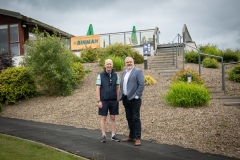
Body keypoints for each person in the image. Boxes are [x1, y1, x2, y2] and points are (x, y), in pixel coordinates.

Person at [120, 57, 145, 146]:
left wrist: (137, 96)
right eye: (127, 62)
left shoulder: (138, 71)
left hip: (135, 99)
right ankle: (131, 136)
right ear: (125, 63)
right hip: (126, 99)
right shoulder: (123, 73)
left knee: (136, 118)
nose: (129, 63)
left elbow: (141, 84)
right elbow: (122, 85)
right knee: (129, 118)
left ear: (133, 62)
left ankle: (137, 138)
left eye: (130, 62)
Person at [96, 59, 121, 142]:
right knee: (103, 117)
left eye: (110, 64)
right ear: (105, 65)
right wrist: (99, 101)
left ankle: (113, 135)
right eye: (107, 64)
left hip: (113, 100)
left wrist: (117, 99)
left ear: (112, 65)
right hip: (103, 100)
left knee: (113, 117)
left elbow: (118, 88)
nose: (109, 65)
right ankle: (103, 135)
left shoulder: (115, 75)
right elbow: (98, 88)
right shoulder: (100, 75)